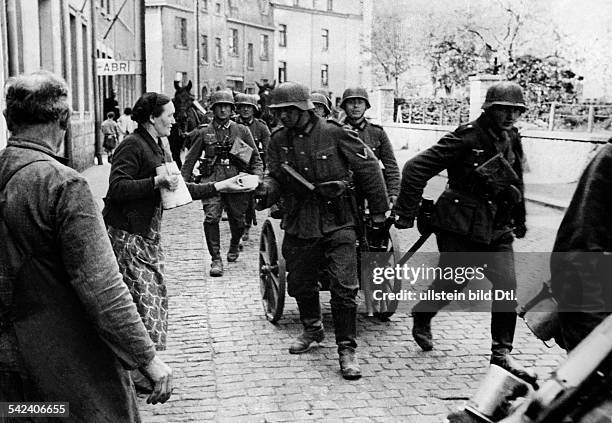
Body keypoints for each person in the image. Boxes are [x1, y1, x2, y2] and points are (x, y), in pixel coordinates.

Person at [0, 71, 173, 421]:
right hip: (62, 364)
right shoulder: (64, 185)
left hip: (9, 364)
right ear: (63, 120)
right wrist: (147, 359)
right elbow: (102, 285)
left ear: (8, 120)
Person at [103, 92, 253, 390]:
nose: (174, 120)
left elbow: (180, 192)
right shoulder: (132, 145)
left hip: (146, 237)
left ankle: (137, 368)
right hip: (127, 236)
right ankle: (133, 371)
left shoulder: (158, 146)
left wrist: (222, 185)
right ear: (151, 118)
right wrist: (156, 182)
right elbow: (117, 188)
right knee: (141, 303)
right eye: (169, 115)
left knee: (150, 300)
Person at [393, 81, 533, 380]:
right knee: (454, 283)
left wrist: (519, 218)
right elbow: (415, 168)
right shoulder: (466, 137)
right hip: (460, 226)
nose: (510, 116)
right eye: (503, 110)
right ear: (490, 109)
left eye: (516, 111)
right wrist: (406, 213)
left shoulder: (512, 137)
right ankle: (423, 313)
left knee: (507, 286)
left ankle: (501, 353)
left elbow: (515, 181)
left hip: (497, 227)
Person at [256, 82, 389, 380]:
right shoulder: (278, 140)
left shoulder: (334, 132)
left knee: (344, 286)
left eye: (288, 111)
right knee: (301, 283)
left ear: (302, 108)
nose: (283, 118)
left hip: (338, 220)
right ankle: (312, 328)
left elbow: (369, 169)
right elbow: (275, 175)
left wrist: (379, 211)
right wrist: (264, 191)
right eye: (278, 113)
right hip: (300, 221)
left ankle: (346, 348)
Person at [181, 90, 264, 277]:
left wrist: (257, 177)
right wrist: (182, 184)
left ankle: (234, 243)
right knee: (211, 218)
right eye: (219, 106)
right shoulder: (204, 132)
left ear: (232, 109)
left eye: (227, 106)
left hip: (236, 181)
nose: (223, 110)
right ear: (213, 108)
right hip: (212, 181)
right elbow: (190, 160)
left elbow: (255, 160)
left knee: (238, 221)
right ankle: (215, 258)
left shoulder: (241, 130)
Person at [339, 87, 401, 206]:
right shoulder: (335, 131)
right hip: (344, 193)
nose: (356, 106)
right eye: (351, 102)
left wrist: (393, 192)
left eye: (360, 102)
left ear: (366, 106)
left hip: (371, 191)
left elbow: (391, 165)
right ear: (344, 106)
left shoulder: (377, 132)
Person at [234, 93, 271, 242]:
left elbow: (268, 149)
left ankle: (246, 226)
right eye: (242, 107)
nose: (245, 110)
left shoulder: (261, 127)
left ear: (254, 109)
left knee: (249, 198)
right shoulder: (233, 125)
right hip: (235, 165)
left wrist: (265, 168)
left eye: (249, 107)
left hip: (253, 166)